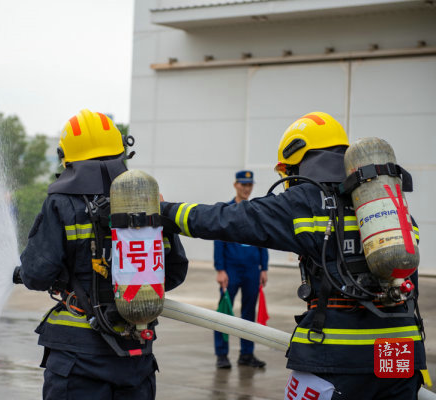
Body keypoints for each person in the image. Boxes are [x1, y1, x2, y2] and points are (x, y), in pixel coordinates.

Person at [161, 112, 426, 399]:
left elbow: (228, 219)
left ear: (297, 159)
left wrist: (163, 212)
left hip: (339, 358)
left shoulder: (307, 201)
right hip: (401, 353)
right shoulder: (389, 205)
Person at [14, 109, 188, 399]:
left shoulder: (61, 203)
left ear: (66, 157)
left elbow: (37, 275)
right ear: (122, 151)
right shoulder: (145, 201)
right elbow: (174, 273)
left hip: (78, 360)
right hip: (136, 357)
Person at [214, 170, 269, 369]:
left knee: (248, 313)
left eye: (249, 185)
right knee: (224, 313)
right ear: (235, 185)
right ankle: (222, 355)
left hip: (252, 270)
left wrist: (264, 268)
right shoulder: (227, 210)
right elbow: (218, 240)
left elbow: (263, 239)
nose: (246, 189)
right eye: (243, 185)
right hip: (231, 270)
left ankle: (246, 354)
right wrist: (220, 269)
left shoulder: (255, 211)